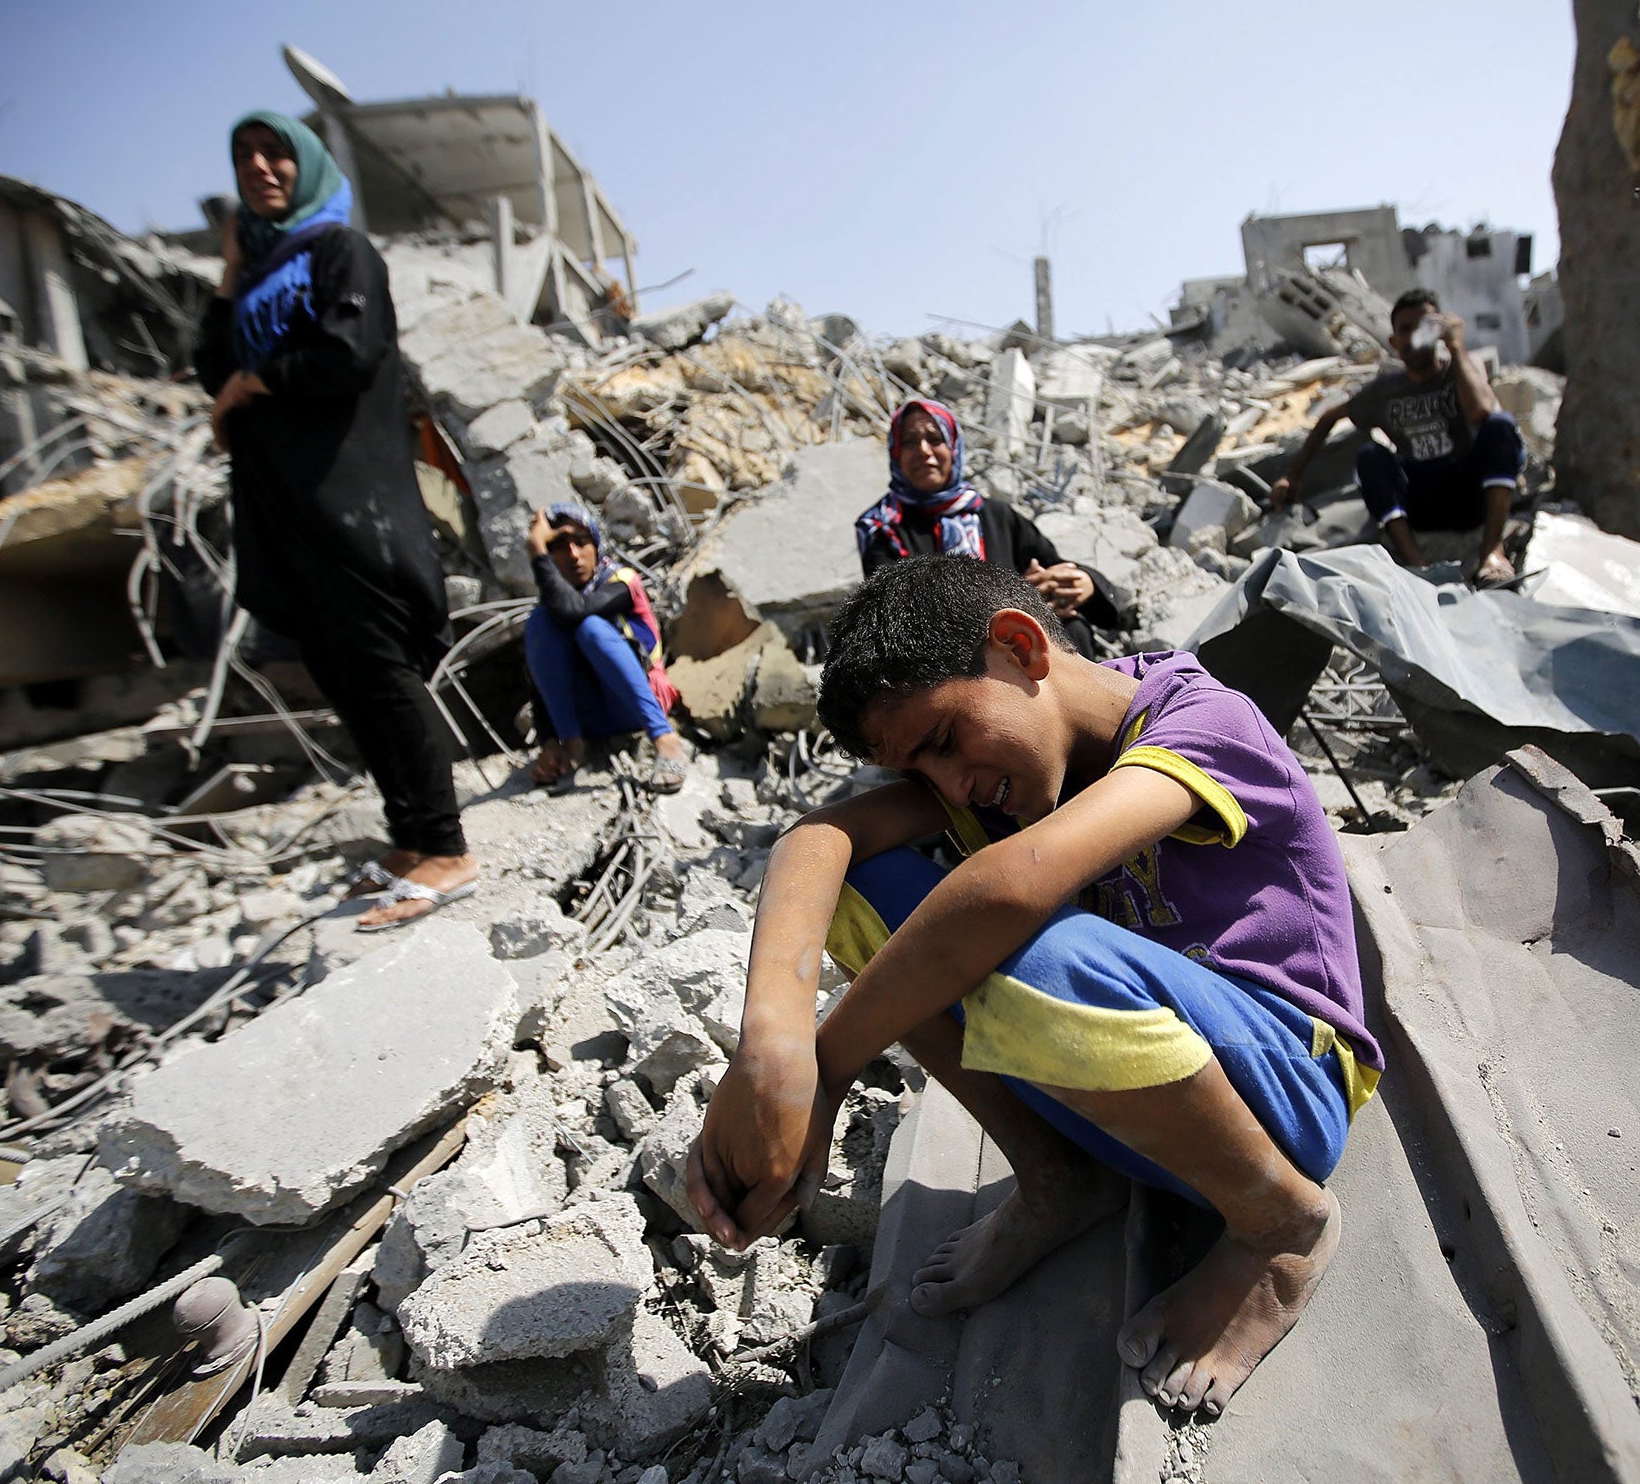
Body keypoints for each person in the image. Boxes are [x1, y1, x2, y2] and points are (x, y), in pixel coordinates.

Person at [687, 556, 1382, 1418]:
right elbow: (816, 842)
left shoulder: (1202, 720)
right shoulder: (1001, 772)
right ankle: (1059, 1180)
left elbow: (1009, 890)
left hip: (1289, 1088)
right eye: (923, 776)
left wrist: (825, 1072)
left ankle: (1281, 1226)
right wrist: (771, 1053)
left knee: (1023, 949)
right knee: (869, 896)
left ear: (1020, 647)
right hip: (1134, 1087)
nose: (952, 789)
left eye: (945, 744)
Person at [195, 111, 475, 931]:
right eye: (244, 154)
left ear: (307, 164)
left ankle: (449, 848)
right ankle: (409, 837)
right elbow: (210, 365)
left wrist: (254, 385)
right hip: (283, 504)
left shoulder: (338, 251)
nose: (260, 165)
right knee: (338, 668)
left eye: (276, 151)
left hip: (349, 492)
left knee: (380, 663)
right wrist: (227, 277)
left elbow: (347, 352)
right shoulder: (253, 277)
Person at [1270, 288, 1522, 585]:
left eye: (1424, 326)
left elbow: (1481, 410)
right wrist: (1293, 476)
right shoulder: (1385, 391)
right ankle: (1418, 566)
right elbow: (1328, 418)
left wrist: (1455, 347)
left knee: (1501, 426)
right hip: (1422, 497)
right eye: (1406, 329)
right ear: (1394, 341)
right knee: (1370, 457)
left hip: (1468, 491)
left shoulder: (1462, 369)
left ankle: (1492, 551)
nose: (1415, 336)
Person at [856, 398, 1125, 655]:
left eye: (935, 439)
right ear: (895, 453)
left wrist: (1082, 584)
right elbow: (899, 613)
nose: (924, 450)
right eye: (910, 442)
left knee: (1072, 629)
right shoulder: (883, 529)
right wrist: (1018, 601)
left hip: (1016, 647)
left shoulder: (996, 516)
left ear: (953, 447)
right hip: (943, 661)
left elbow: (1049, 566)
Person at [524, 501, 689, 793]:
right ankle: (572, 747)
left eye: (581, 542)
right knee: (539, 622)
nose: (574, 554)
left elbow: (575, 611)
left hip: (636, 707)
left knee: (591, 628)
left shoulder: (621, 581)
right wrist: (549, 741)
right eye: (559, 546)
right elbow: (540, 678)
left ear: (596, 544)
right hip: (588, 720)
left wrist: (537, 550)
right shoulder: (552, 606)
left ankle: (666, 739)